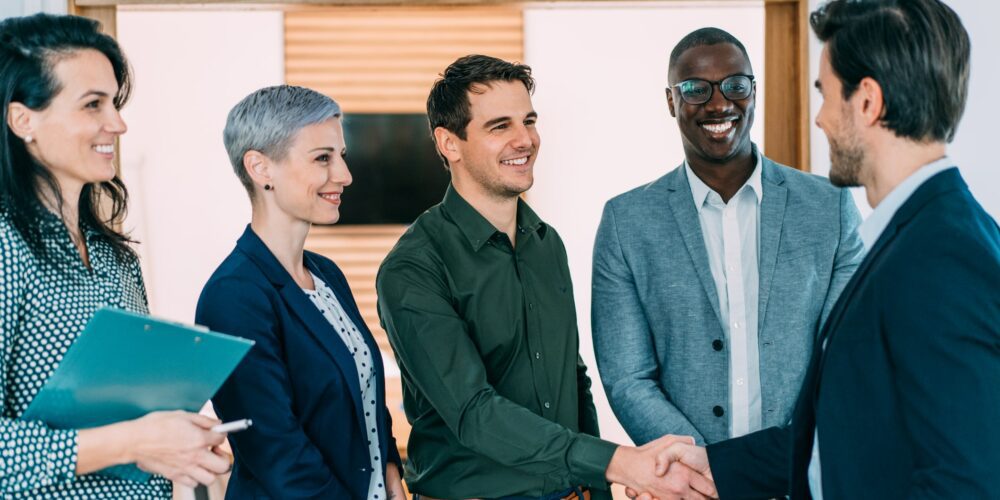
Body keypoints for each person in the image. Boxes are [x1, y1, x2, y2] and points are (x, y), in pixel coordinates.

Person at [649, 1, 1000, 498]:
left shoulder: (941, 259)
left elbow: (966, 481)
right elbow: (851, 433)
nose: (819, 119)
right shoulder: (914, 237)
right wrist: (713, 464)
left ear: (867, 103)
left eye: (826, 95)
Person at [376, 54, 714, 500]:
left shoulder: (545, 243)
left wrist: (600, 484)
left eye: (529, 121)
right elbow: (474, 413)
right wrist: (619, 463)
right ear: (449, 143)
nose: (525, 140)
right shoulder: (414, 267)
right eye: (500, 126)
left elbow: (574, 381)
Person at [592, 28, 863, 449]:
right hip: (690, 484)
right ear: (671, 101)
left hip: (804, 474)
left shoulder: (831, 208)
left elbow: (845, 356)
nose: (719, 103)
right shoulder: (626, 222)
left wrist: (782, 464)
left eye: (736, 85)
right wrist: (710, 472)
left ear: (753, 91)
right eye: (696, 89)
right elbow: (628, 378)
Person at [0, 13, 230, 499]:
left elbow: (128, 412)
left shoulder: (113, 256)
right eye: (93, 104)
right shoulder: (5, 245)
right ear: (23, 119)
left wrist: (181, 438)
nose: (118, 123)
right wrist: (133, 440)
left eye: (115, 103)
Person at [195, 85, 405, 499]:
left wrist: (391, 470)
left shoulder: (327, 275)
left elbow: (365, 400)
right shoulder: (234, 295)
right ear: (260, 168)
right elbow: (278, 455)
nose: (344, 175)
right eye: (322, 158)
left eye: (340, 156)